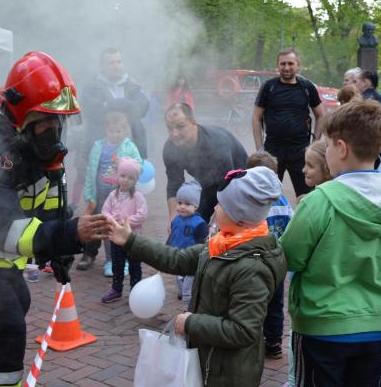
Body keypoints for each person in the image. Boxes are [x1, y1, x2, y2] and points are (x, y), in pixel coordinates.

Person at [0, 52, 110, 387]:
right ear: (20, 114)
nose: (53, 130)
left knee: (20, 300)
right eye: (46, 120)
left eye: (59, 122)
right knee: (7, 327)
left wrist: (60, 252)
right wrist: (69, 233)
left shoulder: (32, 142)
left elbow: (51, 198)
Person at [108, 166, 287, 387]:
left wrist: (191, 323)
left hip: (227, 375)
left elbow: (243, 330)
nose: (214, 207)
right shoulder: (221, 244)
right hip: (207, 360)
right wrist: (130, 241)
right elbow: (176, 259)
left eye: (221, 205)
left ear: (239, 216)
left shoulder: (251, 268)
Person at [281, 99, 381, 386]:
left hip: (322, 326)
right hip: (377, 327)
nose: (326, 150)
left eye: (327, 145)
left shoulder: (319, 200)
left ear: (341, 148)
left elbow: (290, 257)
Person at [71, 48, 150, 206]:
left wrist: (113, 104)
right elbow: (94, 111)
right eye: (111, 62)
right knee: (102, 196)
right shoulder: (92, 88)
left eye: (119, 62)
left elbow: (141, 107)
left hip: (131, 147)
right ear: (102, 67)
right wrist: (127, 106)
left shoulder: (133, 85)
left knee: (128, 197)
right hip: (103, 151)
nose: (116, 66)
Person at [77, 99, 143, 273]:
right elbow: (92, 170)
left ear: (125, 130)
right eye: (112, 131)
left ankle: (123, 259)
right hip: (100, 194)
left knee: (117, 225)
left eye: (119, 131)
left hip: (119, 195)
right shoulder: (99, 146)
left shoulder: (129, 147)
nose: (115, 134)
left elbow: (139, 165)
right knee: (99, 226)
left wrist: (125, 162)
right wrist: (89, 194)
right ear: (106, 129)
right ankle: (103, 259)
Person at [251, 48, 326, 197]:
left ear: (298, 65)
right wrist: (260, 149)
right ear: (277, 65)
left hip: (300, 151)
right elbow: (256, 118)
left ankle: (306, 220)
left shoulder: (307, 87)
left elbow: (321, 115)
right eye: (282, 64)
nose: (286, 67)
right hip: (272, 149)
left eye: (290, 63)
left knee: (307, 196)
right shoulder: (269, 87)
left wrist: (315, 143)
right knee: (266, 195)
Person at [163, 102, 247, 223]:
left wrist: (215, 223)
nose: (174, 134)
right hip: (208, 182)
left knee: (223, 228)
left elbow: (228, 187)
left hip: (239, 182)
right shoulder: (171, 147)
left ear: (193, 122)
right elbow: (174, 184)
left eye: (180, 126)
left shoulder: (216, 143)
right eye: (170, 128)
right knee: (195, 223)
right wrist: (173, 216)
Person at [245, 152, 293, 361]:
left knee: (251, 303)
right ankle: (273, 343)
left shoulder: (247, 200)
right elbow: (290, 230)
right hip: (275, 264)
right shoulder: (282, 201)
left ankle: (251, 342)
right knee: (275, 304)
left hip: (252, 264)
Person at [100, 158, 147, 303]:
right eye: (123, 176)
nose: (126, 180)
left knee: (134, 266)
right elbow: (105, 211)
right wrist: (110, 219)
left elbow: (142, 214)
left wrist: (126, 222)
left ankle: (135, 291)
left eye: (130, 178)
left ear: (135, 181)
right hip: (116, 238)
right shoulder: (112, 195)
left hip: (133, 238)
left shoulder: (138, 197)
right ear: (117, 176)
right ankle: (116, 289)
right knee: (117, 264)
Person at [166, 180, 208, 307]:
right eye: (179, 203)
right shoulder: (176, 220)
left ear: (195, 206)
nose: (182, 206)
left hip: (191, 260)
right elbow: (172, 235)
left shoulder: (199, 224)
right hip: (178, 257)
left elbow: (202, 244)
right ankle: (181, 292)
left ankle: (187, 308)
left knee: (188, 287)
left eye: (187, 204)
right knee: (179, 278)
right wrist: (167, 247)